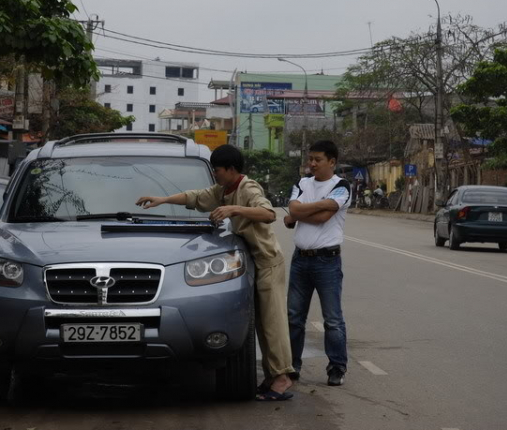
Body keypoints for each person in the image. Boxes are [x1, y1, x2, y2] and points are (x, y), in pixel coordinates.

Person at [136, 144, 296, 401]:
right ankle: (271, 376)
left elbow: (267, 214)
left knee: (272, 323)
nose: (215, 174)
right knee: (260, 323)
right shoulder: (223, 190)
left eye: (217, 169)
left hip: (267, 262)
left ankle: (282, 377)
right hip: (249, 262)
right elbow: (195, 196)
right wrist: (162, 200)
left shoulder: (248, 187)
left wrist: (235, 210)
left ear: (231, 169)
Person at [283, 140, 351, 387]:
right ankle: (292, 366)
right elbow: (294, 208)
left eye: (318, 159)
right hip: (300, 260)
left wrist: (299, 213)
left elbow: (324, 215)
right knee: (293, 317)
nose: (311, 163)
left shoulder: (341, 186)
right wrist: (298, 211)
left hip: (327, 261)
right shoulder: (301, 183)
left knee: (332, 319)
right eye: (310, 158)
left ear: (332, 162)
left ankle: (336, 367)